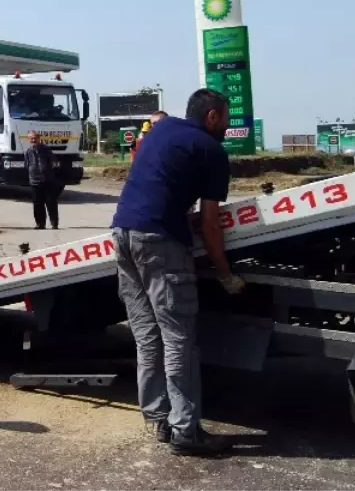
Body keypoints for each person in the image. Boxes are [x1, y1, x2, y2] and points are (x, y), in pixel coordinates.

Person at [111, 89, 246, 457]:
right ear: (213, 117)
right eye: (227, 116)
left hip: (122, 234)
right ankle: (186, 430)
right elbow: (210, 223)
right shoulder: (211, 150)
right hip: (159, 242)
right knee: (178, 340)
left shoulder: (162, 129)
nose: (229, 124)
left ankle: (158, 419)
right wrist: (225, 274)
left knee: (147, 336)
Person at [23, 130, 60, 230]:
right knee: (37, 204)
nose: (33, 140)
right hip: (34, 181)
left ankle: (54, 223)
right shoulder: (27, 151)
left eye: (35, 138)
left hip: (47, 180)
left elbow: (54, 162)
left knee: (51, 202)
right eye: (31, 138)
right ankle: (40, 224)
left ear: (39, 138)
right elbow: (27, 164)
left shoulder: (46, 150)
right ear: (29, 140)